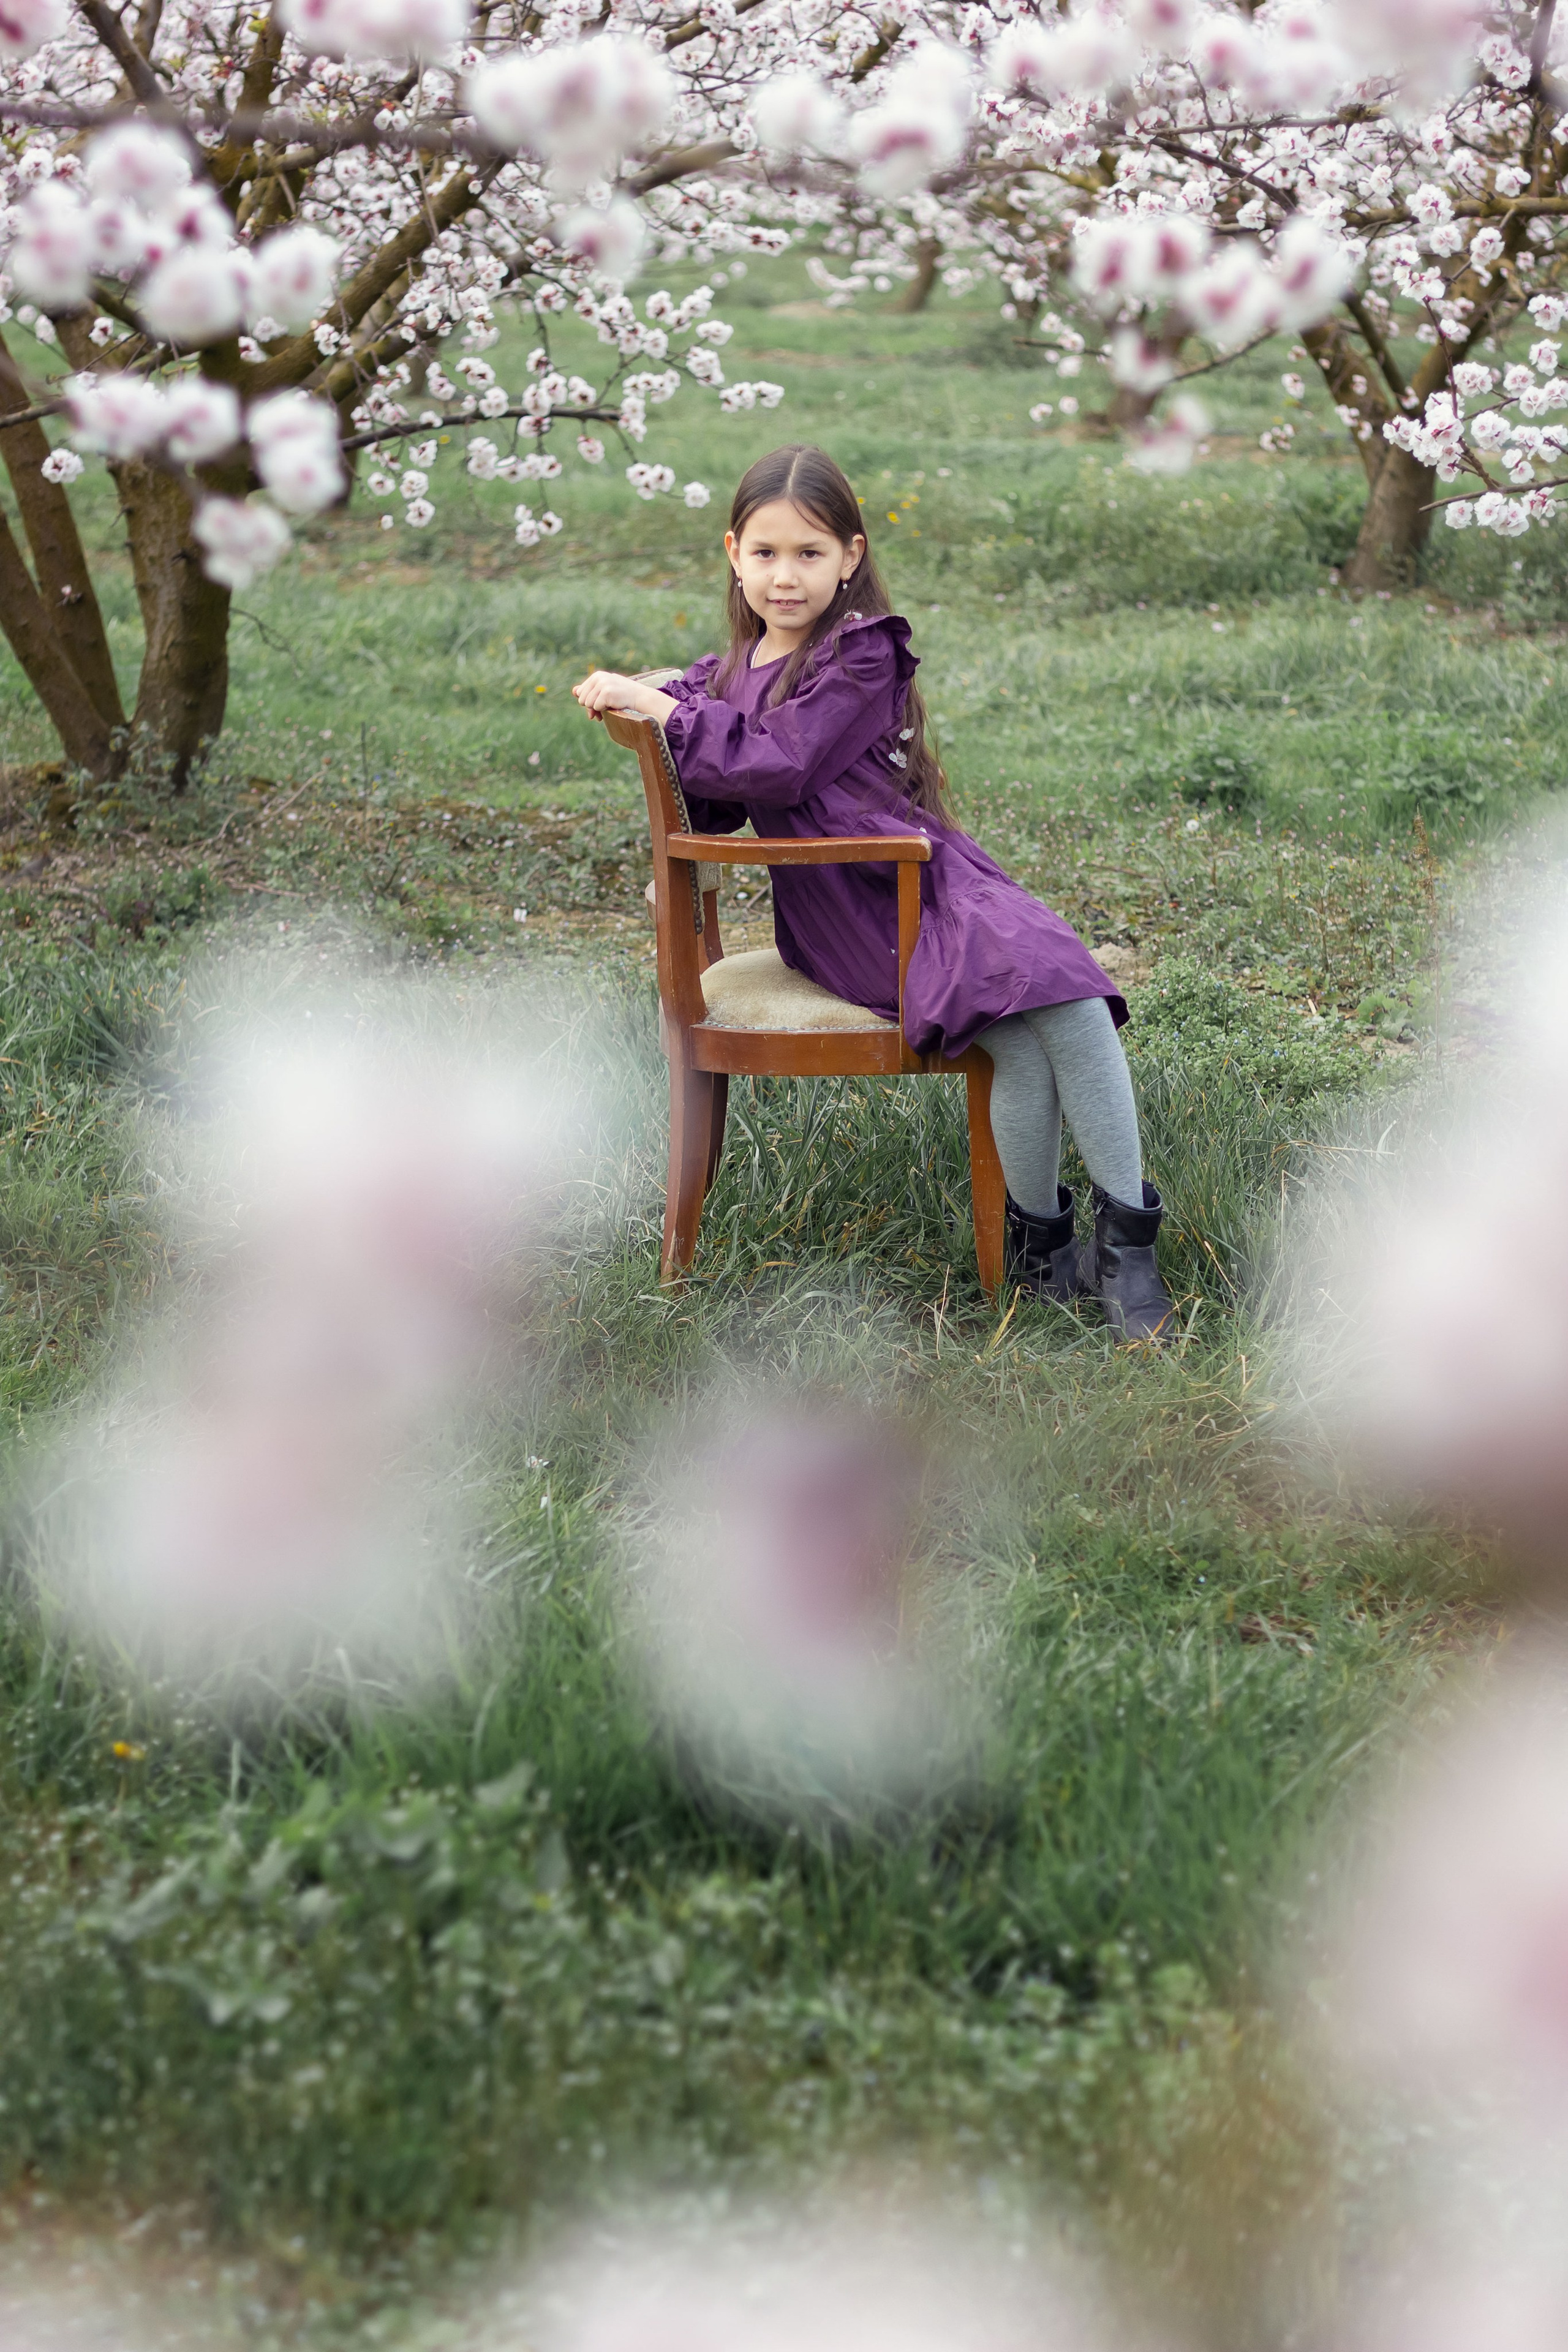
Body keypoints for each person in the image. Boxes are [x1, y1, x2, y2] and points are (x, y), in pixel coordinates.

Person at [573, 443, 1173, 1343]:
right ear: (733, 553)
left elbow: (781, 761)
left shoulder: (862, 655)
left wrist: (664, 704)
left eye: (810, 554)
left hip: (931, 884)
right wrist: (669, 697)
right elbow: (728, 802)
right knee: (1061, 1003)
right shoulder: (722, 675)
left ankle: (1076, 1254)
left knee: (1049, 1018)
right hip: (855, 910)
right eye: (767, 554)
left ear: (852, 557)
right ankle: (1083, 1251)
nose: (786, 577)